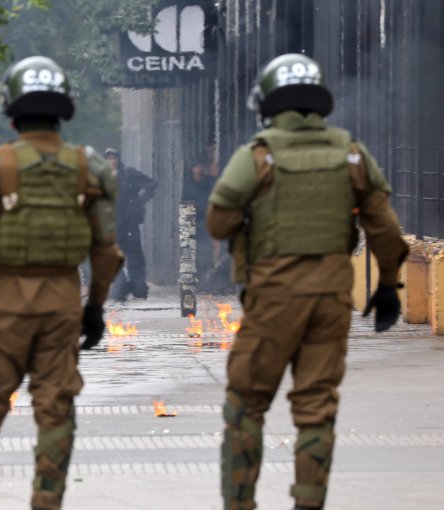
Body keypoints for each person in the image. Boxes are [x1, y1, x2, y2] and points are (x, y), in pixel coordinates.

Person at [207, 54, 409, 510]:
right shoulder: (351, 153)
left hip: (273, 298)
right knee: (317, 408)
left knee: (246, 404)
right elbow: (386, 231)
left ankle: (239, 503)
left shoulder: (259, 154)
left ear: (269, 102)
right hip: (331, 299)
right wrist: (388, 287)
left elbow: (218, 222)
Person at [0, 56, 124, 510]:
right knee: (56, 410)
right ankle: (48, 502)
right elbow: (106, 250)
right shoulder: (90, 169)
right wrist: (96, 307)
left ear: (11, 110)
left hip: (5, 302)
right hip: (63, 302)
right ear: (65, 109)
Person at [105, 147, 157, 301]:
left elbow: (152, 184)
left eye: (114, 158)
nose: (112, 161)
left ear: (118, 159)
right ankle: (120, 286)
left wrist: (138, 202)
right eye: (109, 159)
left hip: (129, 224)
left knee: (134, 256)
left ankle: (138, 286)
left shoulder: (128, 173)